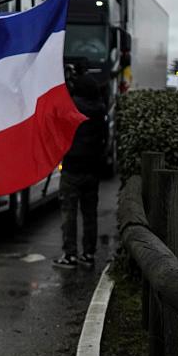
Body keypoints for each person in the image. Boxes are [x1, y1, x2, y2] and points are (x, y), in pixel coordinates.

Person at [52, 74, 107, 269]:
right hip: (92, 169)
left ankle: (70, 255)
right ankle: (89, 254)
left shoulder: (71, 106)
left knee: (69, 213)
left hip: (72, 168)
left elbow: (58, 129)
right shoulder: (100, 110)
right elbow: (105, 141)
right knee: (90, 214)